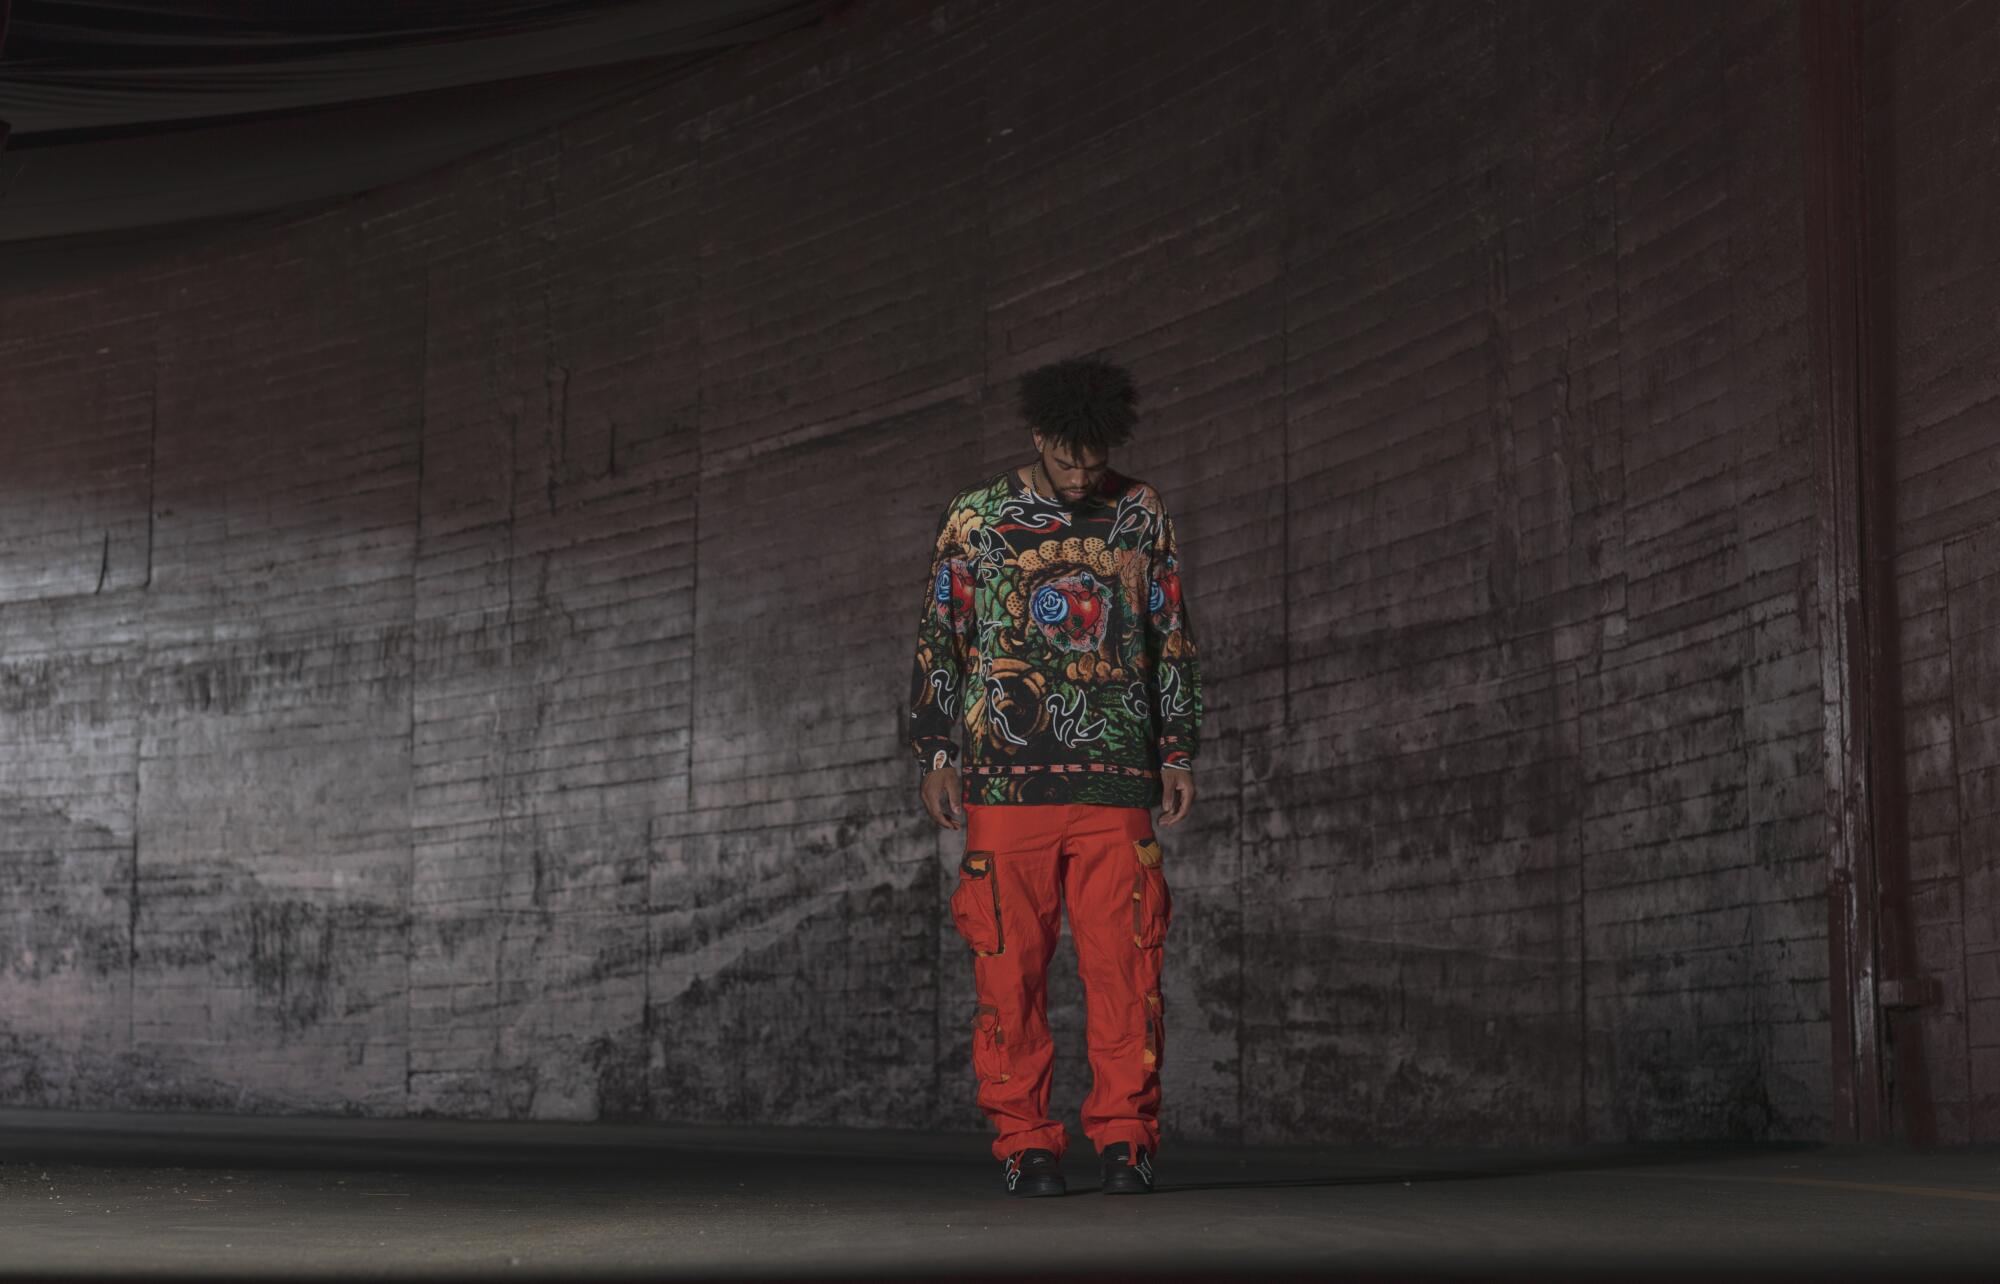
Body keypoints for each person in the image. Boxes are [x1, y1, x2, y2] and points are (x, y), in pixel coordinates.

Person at [906, 355, 1204, 1198]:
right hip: (1003, 783)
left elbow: (1168, 635)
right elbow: (942, 635)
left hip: (1116, 776)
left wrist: (1177, 750)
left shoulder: (1139, 513)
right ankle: (1025, 1142)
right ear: (1039, 438)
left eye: (1095, 460)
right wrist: (935, 751)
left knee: (1127, 967)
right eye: (1068, 458)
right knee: (1009, 971)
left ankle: (1126, 1139)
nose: (1081, 475)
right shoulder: (977, 518)